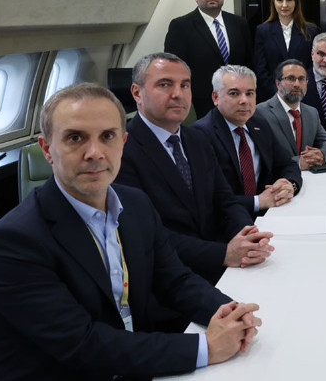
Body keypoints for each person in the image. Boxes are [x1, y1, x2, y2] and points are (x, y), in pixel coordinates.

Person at [0, 83, 262, 379]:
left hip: (131, 357)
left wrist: (229, 312)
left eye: (107, 136)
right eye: (75, 138)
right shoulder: (15, 241)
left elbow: (175, 280)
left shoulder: (135, 203)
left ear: (123, 142)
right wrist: (206, 347)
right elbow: (83, 344)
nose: (95, 153)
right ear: (47, 149)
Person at [116, 53, 273, 285]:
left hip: (221, 265)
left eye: (185, 85)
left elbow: (225, 200)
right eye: (165, 84)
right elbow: (146, 234)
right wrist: (223, 254)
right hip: (166, 279)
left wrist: (248, 235)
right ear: (137, 93)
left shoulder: (197, 139)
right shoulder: (122, 150)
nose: (178, 94)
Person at [193, 65, 302, 217]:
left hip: (270, 215)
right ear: (216, 97)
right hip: (226, 222)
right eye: (234, 93)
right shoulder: (199, 135)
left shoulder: (259, 124)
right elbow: (208, 198)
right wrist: (258, 202)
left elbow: (287, 165)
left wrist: (289, 184)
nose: (244, 100)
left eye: (250, 93)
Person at [165, 0, 253, 118]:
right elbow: (175, 68)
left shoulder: (239, 23)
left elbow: (249, 61)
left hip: (238, 96)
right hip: (202, 101)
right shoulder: (181, 26)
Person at [254, 59, 326, 169]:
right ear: (278, 83)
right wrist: (298, 163)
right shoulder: (260, 112)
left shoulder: (311, 112)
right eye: (291, 78)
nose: (297, 84)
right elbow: (262, 156)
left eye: (302, 79)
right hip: (279, 177)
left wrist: (321, 155)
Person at [253, 0, 319, 102]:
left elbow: (313, 65)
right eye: (280, 0)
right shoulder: (263, 31)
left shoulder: (310, 30)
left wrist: (300, 88)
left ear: (296, 2)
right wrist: (278, 92)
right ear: (273, 2)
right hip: (272, 96)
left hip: (303, 95)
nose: (284, 5)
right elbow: (260, 68)